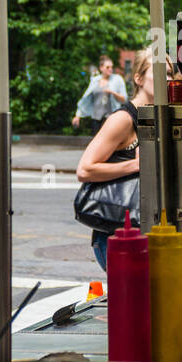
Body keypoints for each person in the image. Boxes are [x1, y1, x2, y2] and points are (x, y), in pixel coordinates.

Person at [76, 50, 155, 271]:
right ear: (138, 79)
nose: (166, 78)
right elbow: (84, 170)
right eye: (158, 72)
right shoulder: (123, 119)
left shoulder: (156, 116)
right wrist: (136, 164)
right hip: (116, 236)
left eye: (169, 73)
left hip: (142, 232)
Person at [72, 56, 127, 135]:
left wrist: (113, 92)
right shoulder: (95, 80)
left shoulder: (117, 80)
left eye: (111, 67)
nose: (110, 69)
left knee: (108, 143)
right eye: (107, 67)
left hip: (110, 118)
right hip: (96, 118)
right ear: (101, 68)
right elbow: (86, 99)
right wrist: (78, 115)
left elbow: (124, 99)